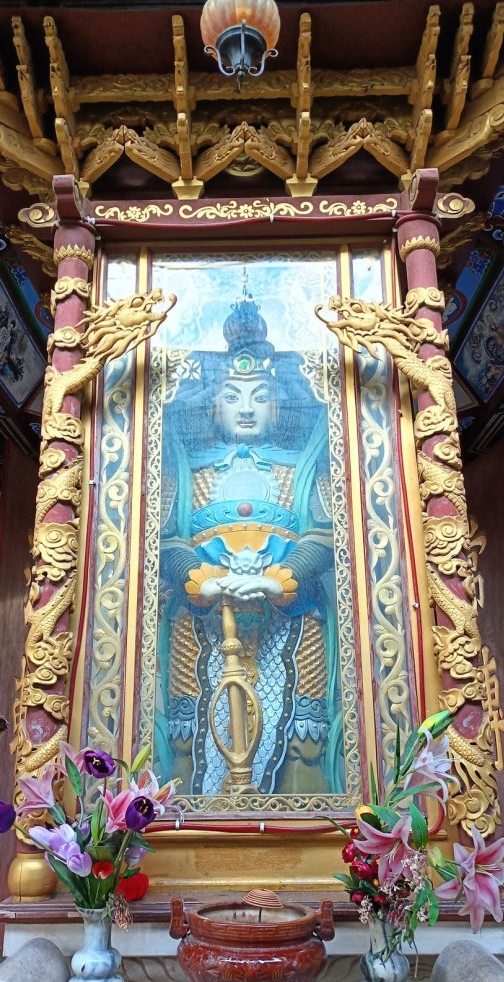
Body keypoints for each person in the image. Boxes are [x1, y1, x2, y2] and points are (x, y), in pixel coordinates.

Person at [154, 286, 343, 797]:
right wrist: (200, 579)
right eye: (232, 397)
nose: (245, 410)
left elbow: (325, 534)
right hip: (202, 622)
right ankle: (194, 817)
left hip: (291, 620)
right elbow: (165, 539)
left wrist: (282, 577)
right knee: (191, 733)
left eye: (259, 398)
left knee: (303, 734)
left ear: (277, 406)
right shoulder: (190, 471)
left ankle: (304, 817)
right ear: (214, 405)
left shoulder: (298, 470)